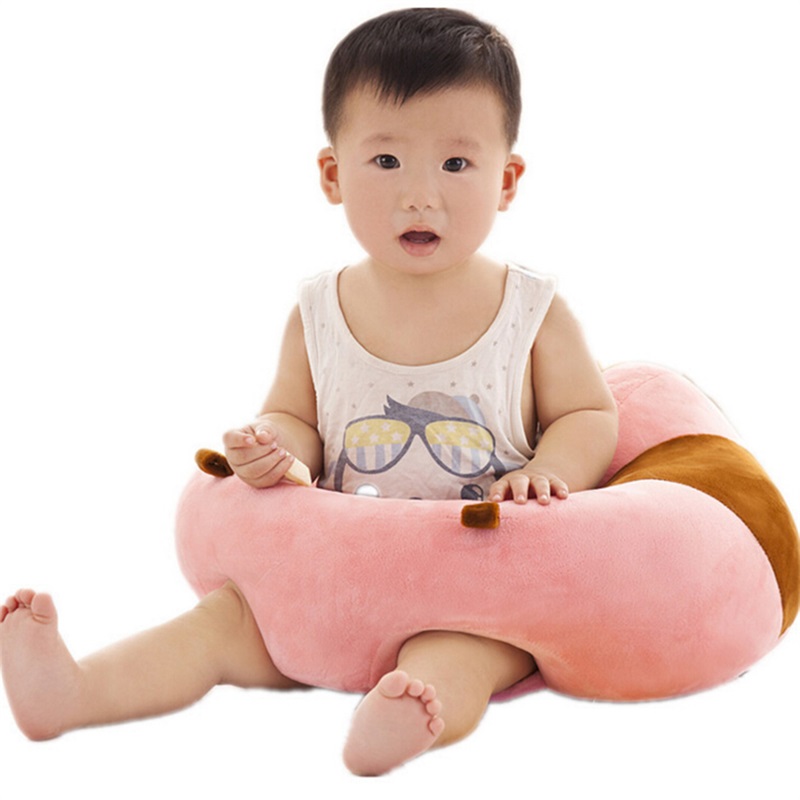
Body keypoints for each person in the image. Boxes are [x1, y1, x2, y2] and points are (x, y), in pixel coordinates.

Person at [0, 8, 618, 776]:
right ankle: (73, 691)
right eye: (386, 160)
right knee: (220, 626)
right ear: (332, 174)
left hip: (471, 588)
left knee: (462, 653)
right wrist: (274, 448)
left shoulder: (531, 310)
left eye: (457, 164)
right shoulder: (319, 310)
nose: (419, 195)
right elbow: (297, 417)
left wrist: (551, 468)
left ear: (507, 180)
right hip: (337, 582)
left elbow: (588, 413)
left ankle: (408, 716)